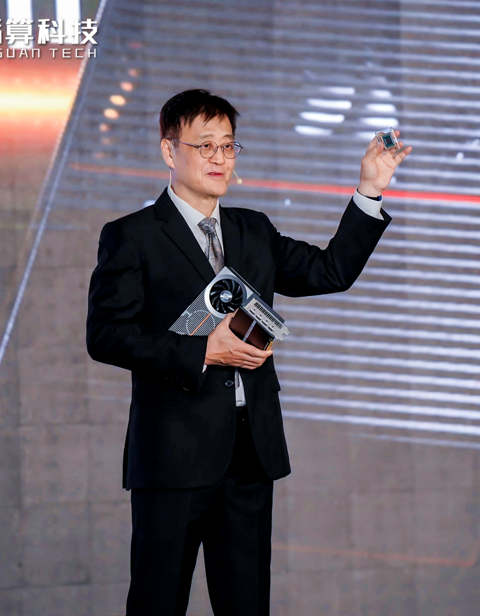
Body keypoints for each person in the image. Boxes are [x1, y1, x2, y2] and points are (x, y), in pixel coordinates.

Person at [85, 89, 411, 615]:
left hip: (249, 454)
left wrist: (370, 190)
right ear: (169, 151)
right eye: (205, 145)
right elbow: (105, 334)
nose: (219, 157)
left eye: (228, 145)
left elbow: (330, 272)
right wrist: (202, 351)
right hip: (172, 455)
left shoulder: (253, 229)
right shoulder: (132, 236)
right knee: (156, 602)